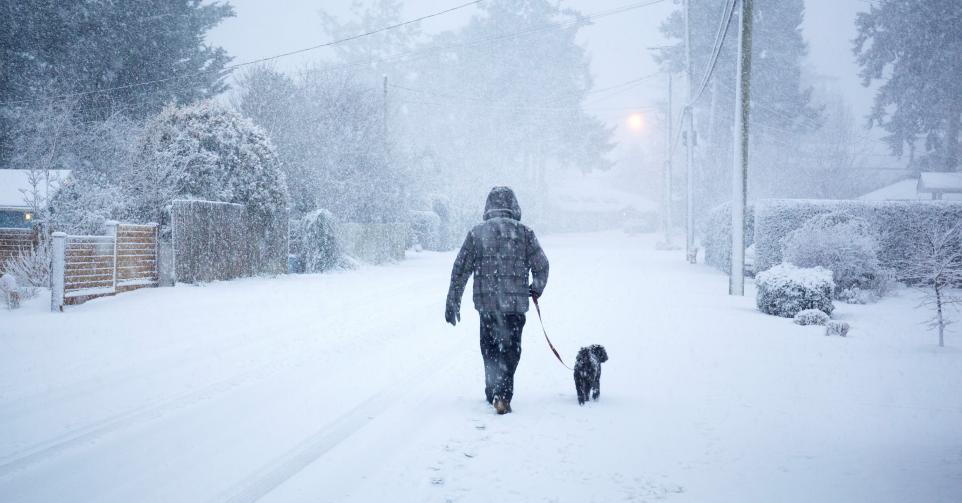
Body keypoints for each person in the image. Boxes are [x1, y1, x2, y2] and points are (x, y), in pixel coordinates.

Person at [445, 186, 549, 415]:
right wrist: (536, 288)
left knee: (489, 347)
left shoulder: (477, 233)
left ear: (488, 206)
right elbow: (542, 265)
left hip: (488, 304)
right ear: (514, 206)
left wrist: (453, 299)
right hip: (514, 307)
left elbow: (460, 269)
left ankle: (493, 389)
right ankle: (502, 394)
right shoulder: (524, 233)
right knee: (511, 349)